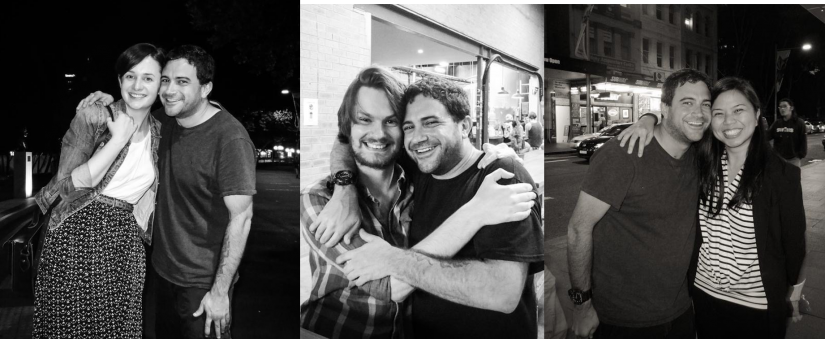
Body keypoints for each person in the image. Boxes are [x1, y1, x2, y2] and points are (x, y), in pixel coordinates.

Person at [299, 67, 537, 338]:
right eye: (409, 126)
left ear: (466, 126)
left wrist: (393, 259)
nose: (379, 134)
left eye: (392, 122)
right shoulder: (323, 201)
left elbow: (502, 292)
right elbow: (388, 288)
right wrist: (344, 186)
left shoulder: (484, 177)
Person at [77, 45, 256, 339]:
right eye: (165, 80)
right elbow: (131, 106)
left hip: (202, 283)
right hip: (160, 272)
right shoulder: (163, 121)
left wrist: (220, 292)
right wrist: (104, 101)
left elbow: (242, 217)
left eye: (183, 82)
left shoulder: (230, 138)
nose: (170, 90)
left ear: (206, 88)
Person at [616, 77, 807, 338]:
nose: (729, 122)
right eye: (718, 113)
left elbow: (794, 243)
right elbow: (673, 127)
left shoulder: (782, 175)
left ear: (757, 113)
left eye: (739, 110)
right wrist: (647, 118)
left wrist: (795, 291)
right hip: (704, 295)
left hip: (756, 303)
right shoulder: (702, 163)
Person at [566, 68, 712, 339]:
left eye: (705, 104)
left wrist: (647, 118)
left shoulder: (699, 157)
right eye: (687, 102)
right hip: (623, 321)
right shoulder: (625, 153)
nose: (699, 112)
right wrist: (582, 305)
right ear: (665, 108)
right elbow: (578, 230)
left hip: (679, 311)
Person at [33, 43, 165, 338]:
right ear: (119, 81)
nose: (138, 85)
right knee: (70, 327)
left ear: (160, 84)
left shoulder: (161, 131)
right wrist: (117, 141)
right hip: (76, 235)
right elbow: (67, 186)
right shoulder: (94, 117)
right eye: (130, 76)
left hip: (125, 243)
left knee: (118, 329)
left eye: (148, 78)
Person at [767, 98, 807, 167]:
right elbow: (767, 136)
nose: (782, 109)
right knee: (778, 178)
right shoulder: (777, 123)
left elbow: (803, 140)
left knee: (792, 177)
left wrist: (800, 155)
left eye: (785, 106)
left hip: (793, 160)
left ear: (791, 108)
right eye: (780, 107)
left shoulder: (799, 123)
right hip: (778, 160)